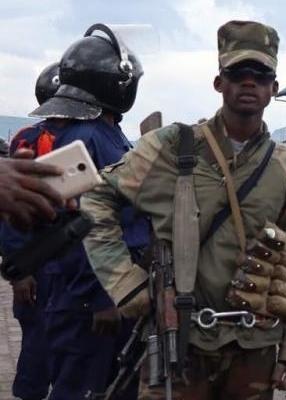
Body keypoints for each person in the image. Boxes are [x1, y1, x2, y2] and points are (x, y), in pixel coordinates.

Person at [81, 20, 286, 400]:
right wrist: (125, 284)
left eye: (261, 74)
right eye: (238, 72)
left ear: (273, 87)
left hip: (253, 348)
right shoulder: (172, 147)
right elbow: (94, 197)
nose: (249, 82)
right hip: (180, 342)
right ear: (219, 82)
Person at [11, 25, 151, 400]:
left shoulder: (105, 132)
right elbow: (77, 225)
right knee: (80, 389)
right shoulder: (85, 138)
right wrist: (100, 298)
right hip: (89, 299)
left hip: (109, 287)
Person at [1, 61, 62, 400]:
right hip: (37, 264)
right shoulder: (28, 139)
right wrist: (20, 271)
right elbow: (10, 218)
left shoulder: (87, 139)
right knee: (35, 352)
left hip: (65, 268)